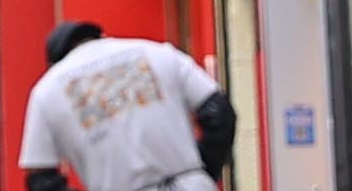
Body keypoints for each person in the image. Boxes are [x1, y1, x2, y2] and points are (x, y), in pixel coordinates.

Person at [19, 18, 232, 191]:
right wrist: (201, 172)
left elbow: (40, 178)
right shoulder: (157, 53)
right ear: (100, 37)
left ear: (54, 61)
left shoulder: (47, 90)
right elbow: (219, 112)